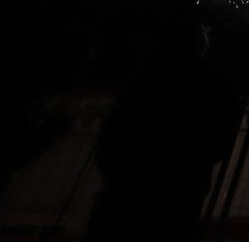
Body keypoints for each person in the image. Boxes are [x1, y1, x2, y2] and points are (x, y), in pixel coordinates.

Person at [84, 15, 239, 242]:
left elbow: (112, 136)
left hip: (122, 199)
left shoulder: (143, 78)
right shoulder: (214, 83)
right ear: (199, 42)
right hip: (179, 201)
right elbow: (221, 142)